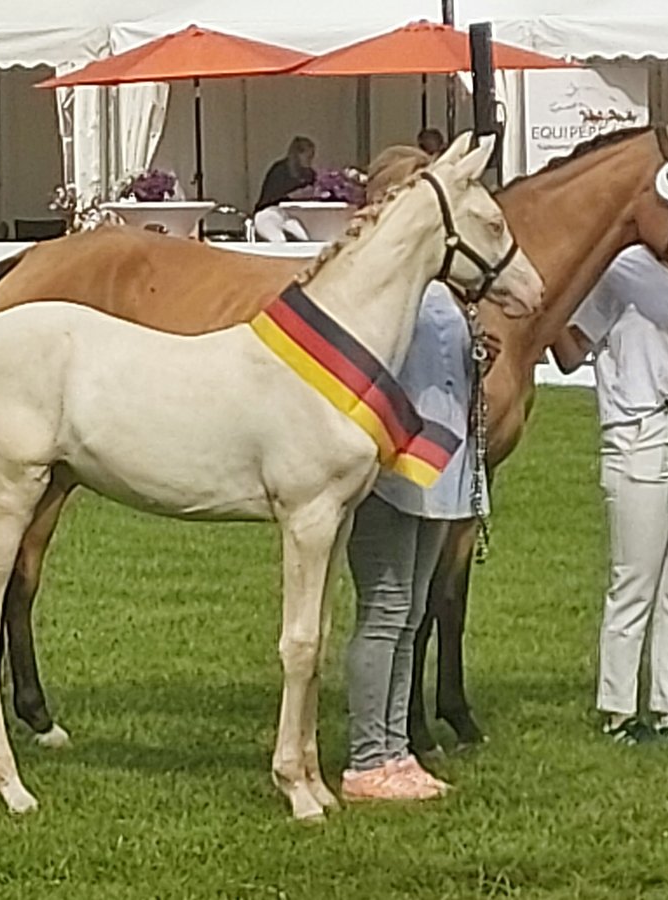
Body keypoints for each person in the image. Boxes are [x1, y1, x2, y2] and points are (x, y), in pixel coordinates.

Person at [340, 147, 493, 802]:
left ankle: (394, 748)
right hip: (396, 462)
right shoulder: (375, 285)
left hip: (440, 465)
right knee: (385, 608)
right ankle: (367, 755)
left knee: (408, 613)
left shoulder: (437, 284)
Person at [551, 244, 668, 745]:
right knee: (633, 578)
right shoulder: (620, 270)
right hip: (636, 432)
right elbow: (569, 350)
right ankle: (618, 709)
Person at [253, 137, 316, 242]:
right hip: (272, 213)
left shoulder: (309, 174)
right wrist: (293, 195)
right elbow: (271, 197)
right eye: (308, 156)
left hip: (297, 215)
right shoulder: (280, 171)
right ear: (298, 155)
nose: (310, 160)